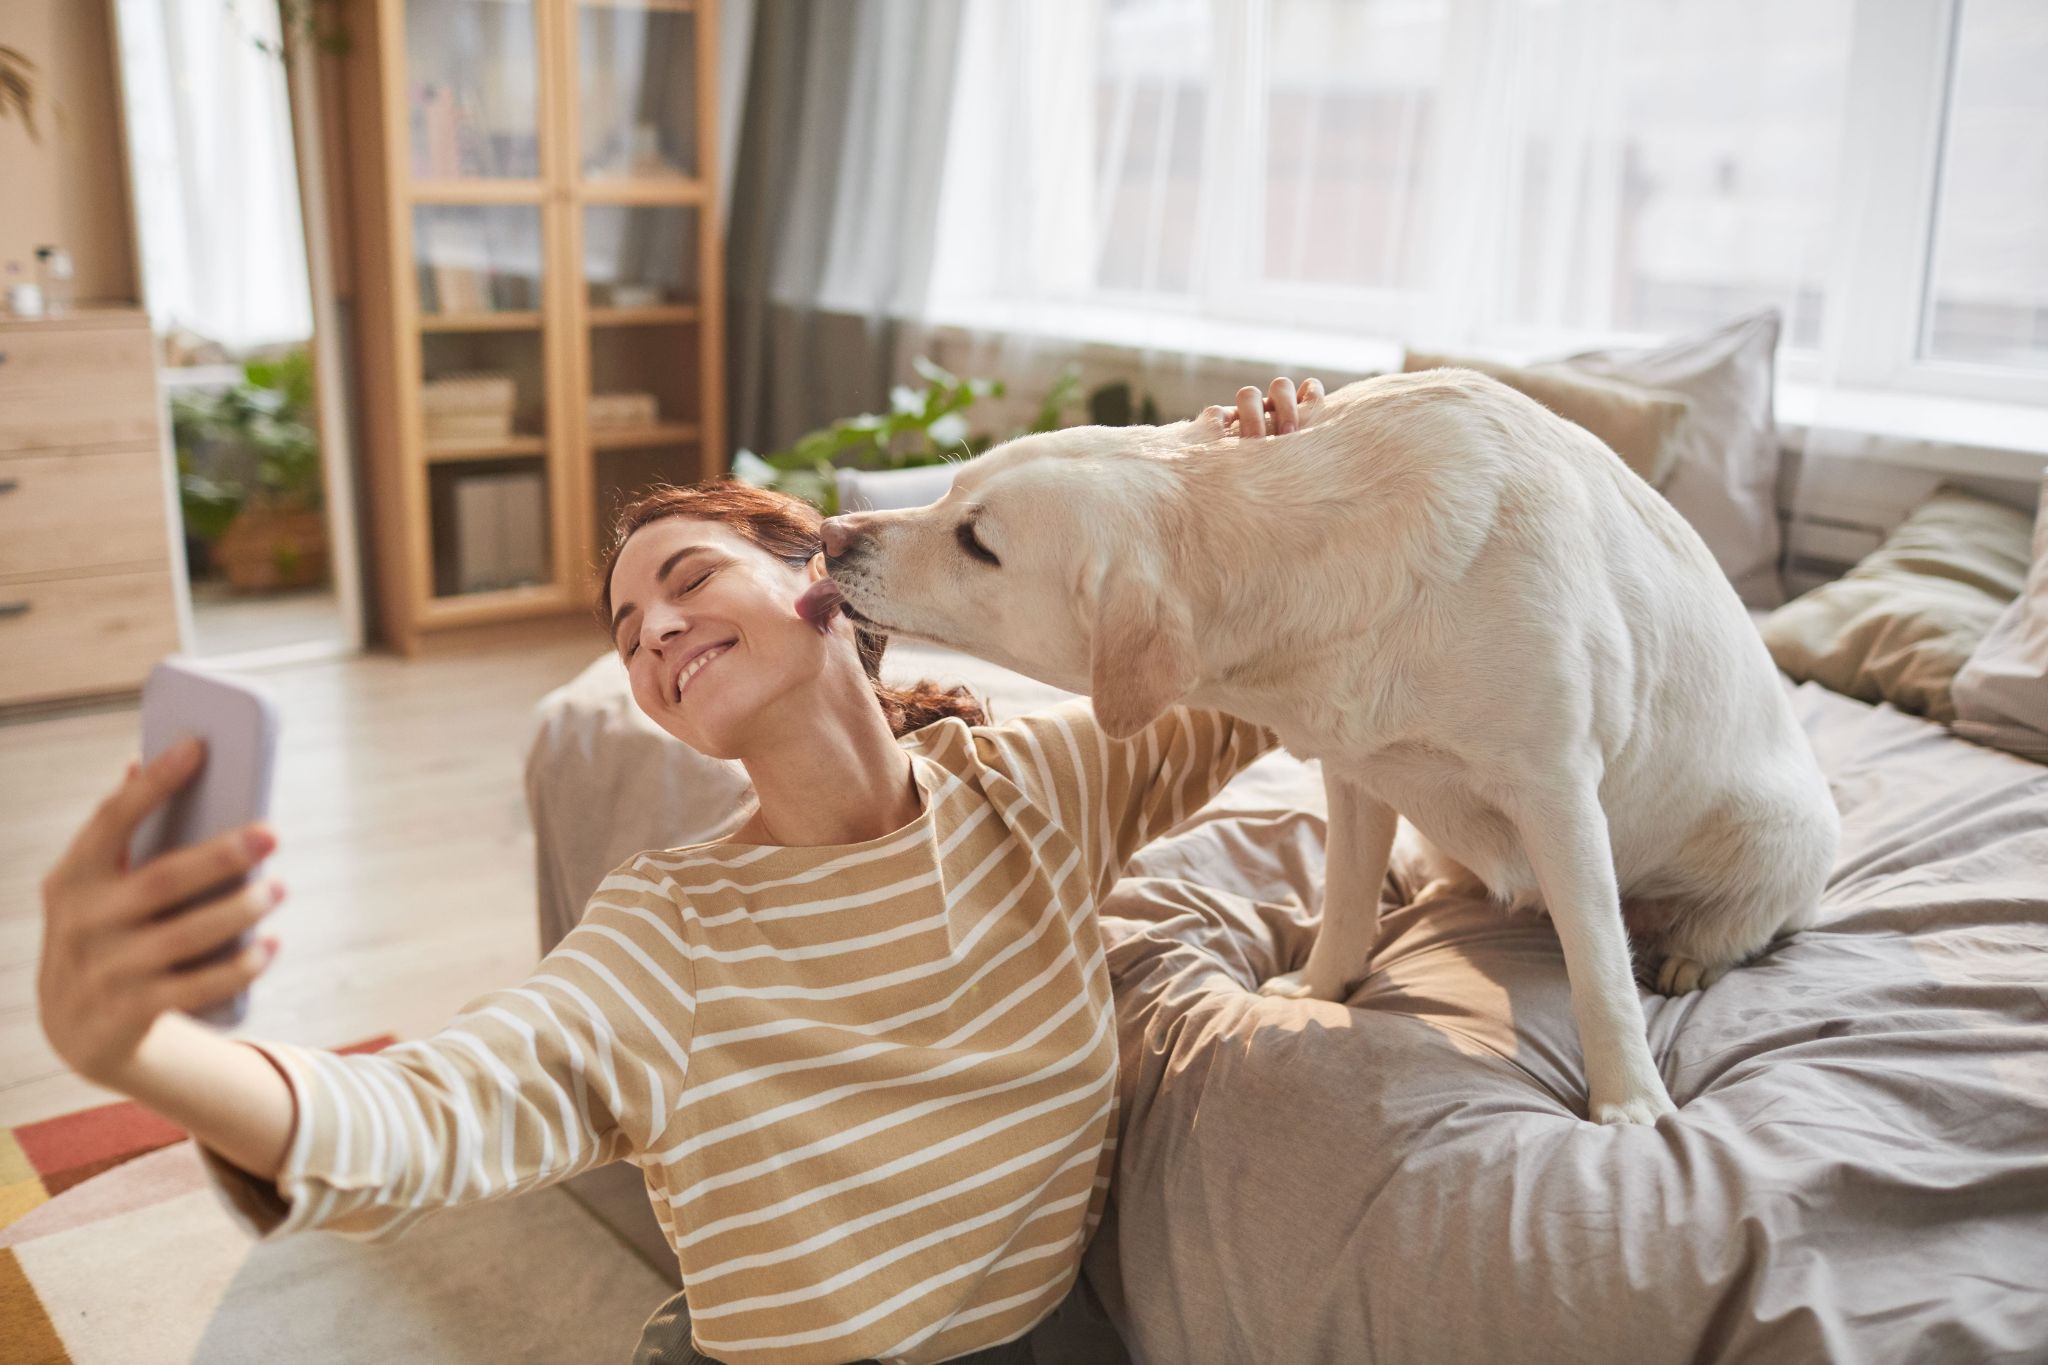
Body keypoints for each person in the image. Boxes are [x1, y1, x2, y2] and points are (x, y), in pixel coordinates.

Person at [38, 379, 1323, 1365]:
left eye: (688, 578)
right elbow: (426, 1115)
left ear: (828, 581)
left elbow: (1274, 670)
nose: (651, 631)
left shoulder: (1037, 789)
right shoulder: (671, 933)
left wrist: (1263, 487)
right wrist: (138, 1052)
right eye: (627, 629)